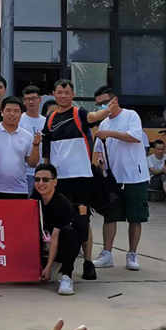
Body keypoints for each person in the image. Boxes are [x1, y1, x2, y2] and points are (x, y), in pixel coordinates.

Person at [42, 79, 109, 281]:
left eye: (67, 92)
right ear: (54, 94)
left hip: (81, 179)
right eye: (59, 92)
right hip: (59, 181)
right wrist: (47, 178)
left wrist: (108, 109)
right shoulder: (50, 119)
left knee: (83, 220)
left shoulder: (79, 113)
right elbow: (47, 154)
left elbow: (94, 116)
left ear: (72, 94)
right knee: (61, 222)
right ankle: (63, 261)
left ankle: (88, 262)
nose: (63, 96)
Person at [91, 86, 150, 272]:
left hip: (135, 176)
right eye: (99, 104)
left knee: (135, 217)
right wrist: (100, 161)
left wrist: (110, 134)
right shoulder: (103, 124)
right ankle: (106, 254)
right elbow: (98, 150)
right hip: (113, 178)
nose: (102, 107)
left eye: (105, 102)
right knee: (110, 216)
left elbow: (135, 137)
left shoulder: (131, 116)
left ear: (114, 100)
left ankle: (132, 254)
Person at [33, 163, 87, 296]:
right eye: (37, 179)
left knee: (68, 232)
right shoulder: (34, 198)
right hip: (45, 244)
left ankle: (66, 276)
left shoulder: (62, 203)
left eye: (45, 180)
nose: (40, 183)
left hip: (61, 243)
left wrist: (48, 266)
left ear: (55, 182)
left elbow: (55, 237)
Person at [0, 97, 41, 199]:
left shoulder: (27, 136)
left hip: (19, 189)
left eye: (16, 111)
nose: (12, 114)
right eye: (8, 110)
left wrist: (36, 146)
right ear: (2, 112)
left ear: (21, 114)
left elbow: (32, 163)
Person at [18, 85, 48, 195]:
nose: (31, 102)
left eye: (34, 98)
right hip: (24, 172)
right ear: (23, 101)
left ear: (39, 99)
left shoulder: (46, 121)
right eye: (27, 99)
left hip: (42, 172)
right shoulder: (19, 120)